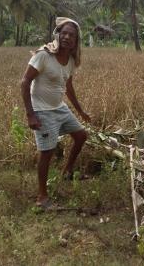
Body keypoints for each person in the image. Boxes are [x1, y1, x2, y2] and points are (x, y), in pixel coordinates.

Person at [21, 17, 91, 208]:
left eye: (72, 35)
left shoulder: (70, 60)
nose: (67, 37)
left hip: (59, 108)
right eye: (64, 33)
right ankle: (42, 198)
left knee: (81, 136)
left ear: (76, 41)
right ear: (57, 34)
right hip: (42, 110)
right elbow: (25, 82)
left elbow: (68, 86)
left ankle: (67, 171)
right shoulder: (44, 55)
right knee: (47, 152)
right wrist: (30, 114)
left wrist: (81, 111)